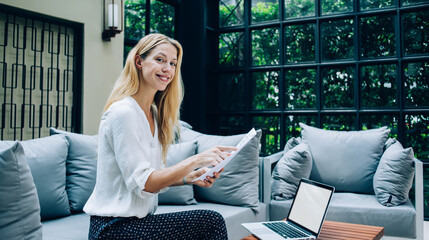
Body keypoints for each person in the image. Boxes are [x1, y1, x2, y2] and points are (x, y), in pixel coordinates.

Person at [83, 33, 236, 240]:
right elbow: (145, 183)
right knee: (211, 222)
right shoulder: (123, 113)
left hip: (138, 224)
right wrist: (197, 160)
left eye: (173, 63)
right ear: (139, 61)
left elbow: (150, 177)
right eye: (160, 60)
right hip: (112, 228)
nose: (168, 69)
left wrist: (187, 179)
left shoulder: (154, 114)